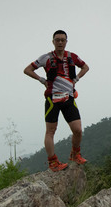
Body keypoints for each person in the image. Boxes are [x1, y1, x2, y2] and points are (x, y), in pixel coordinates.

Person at [23, 30, 90, 171]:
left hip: (69, 98)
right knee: (50, 131)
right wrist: (41, 80)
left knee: (78, 130)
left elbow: (85, 67)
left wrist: (76, 78)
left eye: (62, 40)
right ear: (53, 41)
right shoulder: (46, 58)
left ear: (66, 42)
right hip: (52, 99)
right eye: (57, 40)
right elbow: (28, 70)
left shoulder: (72, 56)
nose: (60, 42)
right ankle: (53, 162)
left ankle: (75, 154)